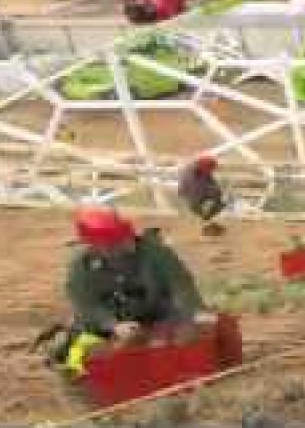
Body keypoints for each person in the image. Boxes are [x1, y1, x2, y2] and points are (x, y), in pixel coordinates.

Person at [55, 206, 206, 377]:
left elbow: (181, 285)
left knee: (183, 338)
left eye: (124, 239)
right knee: (82, 354)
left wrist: (193, 313)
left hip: (156, 313)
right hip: (113, 323)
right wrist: (114, 325)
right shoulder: (81, 269)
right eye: (113, 244)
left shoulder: (155, 252)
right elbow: (86, 306)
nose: (125, 246)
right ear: (94, 246)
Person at [178, 154, 226, 237]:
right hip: (191, 197)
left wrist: (216, 192)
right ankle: (206, 225)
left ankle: (207, 223)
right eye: (211, 169)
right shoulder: (190, 175)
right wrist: (213, 194)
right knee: (201, 207)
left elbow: (210, 182)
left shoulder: (201, 170)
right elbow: (196, 192)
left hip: (198, 194)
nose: (212, 171)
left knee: (220, 202)